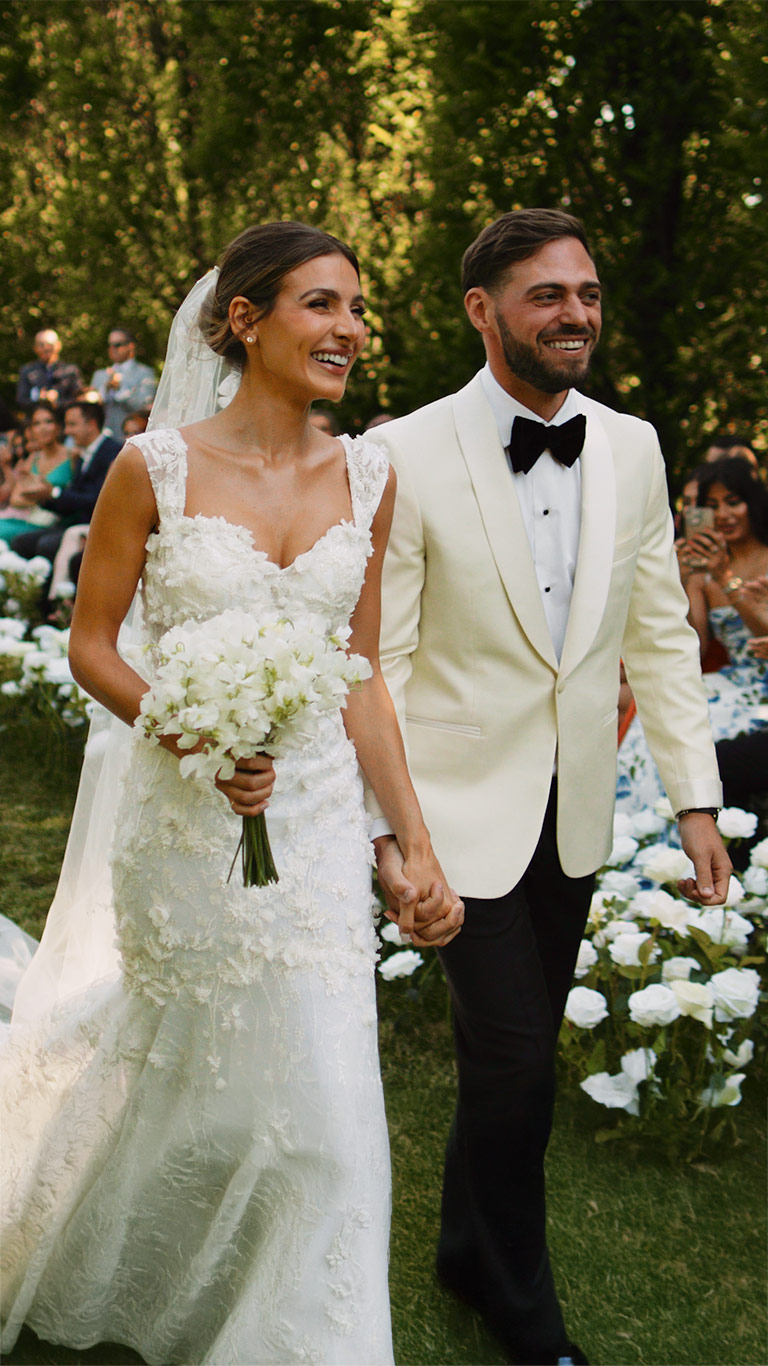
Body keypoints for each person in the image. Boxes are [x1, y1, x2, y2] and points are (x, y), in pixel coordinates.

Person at [0, 221, 462, 1366]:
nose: (351, 329)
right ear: (245, 320)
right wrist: (191, 725)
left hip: (304, 827)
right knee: (187, 1062)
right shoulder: (148, 466)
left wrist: (412, 842)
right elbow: (93, 645)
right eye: (322, 304)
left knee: (326, 1106)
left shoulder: (370, 472)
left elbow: (359, 681)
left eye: (358, 307)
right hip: (184, 811)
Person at [368, 208, 731, 1366]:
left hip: (574, 811)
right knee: (519, 1056)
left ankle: (463, 1247)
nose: (575, 313)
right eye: (546, 295)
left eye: (585, 291)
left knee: (503, 1060)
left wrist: (694, 799)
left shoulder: (631, 444)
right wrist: (394, 832)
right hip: (451, 810)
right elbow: (375, 659)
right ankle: (528, 1311)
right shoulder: (404, 451)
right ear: (483, 312)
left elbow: (661, 633)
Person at [9, 399, 122, 570]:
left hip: (96, 525)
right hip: (70, 522)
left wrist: (54, 492)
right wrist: (44, 497)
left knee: (46, 544)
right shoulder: (84, 453)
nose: (67, 431)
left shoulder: (112, 451)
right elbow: (72, 498)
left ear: (91, 424)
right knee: (21, 541)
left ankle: (53, 595)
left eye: (72, 425)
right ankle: (26, 592)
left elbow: (98, 498)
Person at [0, 404, 72, 544]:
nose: (43, 428)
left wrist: (40, 494)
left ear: (58, 426)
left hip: (56, 523)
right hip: (28, 519)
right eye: (37, 424)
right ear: (31, 430)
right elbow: (16, 498)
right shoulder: (34, 457)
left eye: (48, 421)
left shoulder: (72, 456)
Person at [90, 328, 157, 435]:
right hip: (102, 438)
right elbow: (89, 411)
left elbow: (144, 407)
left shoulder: (145, 373)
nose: (112, 349)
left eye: (117, 345)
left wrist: (121, 389)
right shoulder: (100, 375)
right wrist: (105, 390)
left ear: (131, 346)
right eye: (110, 345)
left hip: (131, 436)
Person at [15, 329, 83, 412]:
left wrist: (57, 402)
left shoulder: (70, 370)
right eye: (41, 345)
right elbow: (22, 400)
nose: (46, 348)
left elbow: (78, 399)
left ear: (58, 345)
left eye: (50, 344)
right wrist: (39, 400)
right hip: (36, 420)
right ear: (35, 348)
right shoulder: (27, 371)